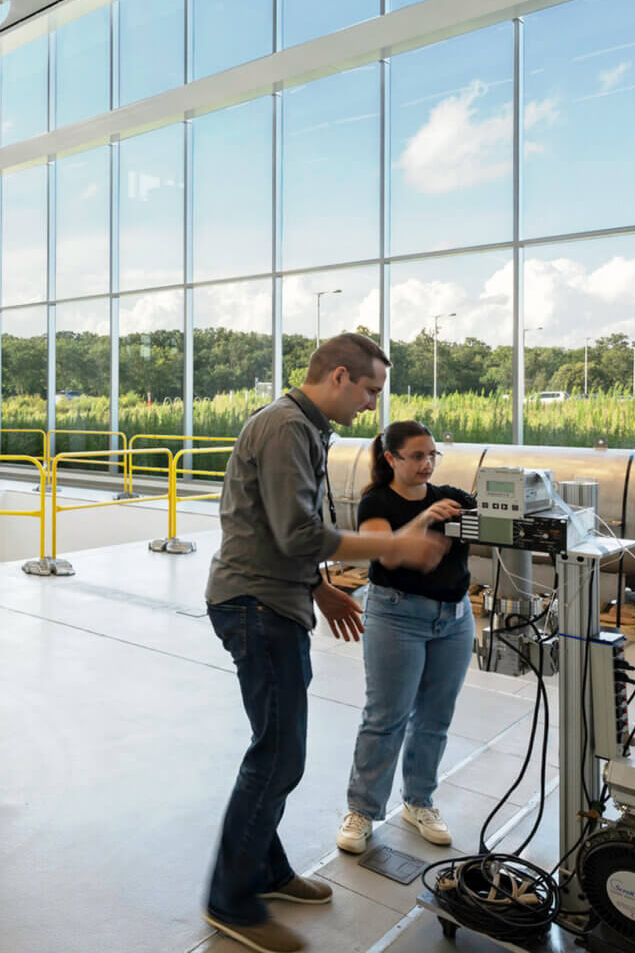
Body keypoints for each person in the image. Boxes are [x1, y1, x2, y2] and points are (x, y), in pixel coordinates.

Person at [203, 335, 462, 953]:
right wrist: (394, 546)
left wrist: (319, 591)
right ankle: (231, 902)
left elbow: (278, 529)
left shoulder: (308, 430)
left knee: (276, 748)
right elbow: (297, 533)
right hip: (254, 606)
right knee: (279, 756)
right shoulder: (287, 428)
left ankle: (266, 871)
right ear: (340, 376)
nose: (373, 405)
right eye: (371, 390)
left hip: (277, 601)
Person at [337, 420, 475, 857]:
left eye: (433, 454)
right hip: (397, 616)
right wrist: (423, 519)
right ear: (391, 458)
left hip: (454, 619)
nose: (427, 464)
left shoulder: (454, 499)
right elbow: (384, 550)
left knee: (435, 716)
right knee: (386, 715)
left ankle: (419, 802)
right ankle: (363, 809)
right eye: (416, 456)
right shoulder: (376, 501)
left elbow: (498, 522)